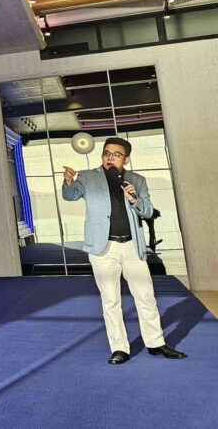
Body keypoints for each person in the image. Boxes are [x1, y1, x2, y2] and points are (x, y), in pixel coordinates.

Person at [61, 136, 187, 364]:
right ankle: (119, 348)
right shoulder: (88, 176)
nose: (110, 157)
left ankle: (156, 343)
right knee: (110, 301)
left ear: (126, 159)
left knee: (146, 297)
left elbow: (147, 211)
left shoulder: (137, 180)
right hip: (103, 249)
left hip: (132, 247)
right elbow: (70, 196)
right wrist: (68, 181)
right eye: (106, 153)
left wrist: (134, 199)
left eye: (116, 154)